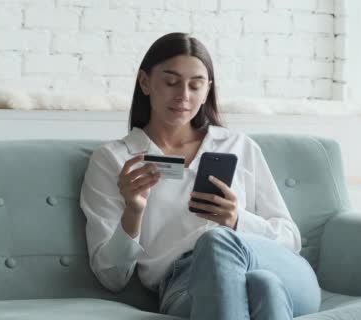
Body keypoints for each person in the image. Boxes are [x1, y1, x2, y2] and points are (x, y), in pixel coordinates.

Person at [80, 32, 321, 320]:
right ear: (145, 82)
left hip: (273, 266)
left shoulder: (238, 146)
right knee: (264, 289)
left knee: (224, 246)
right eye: (171, 82)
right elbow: (112, 278)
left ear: (207, 90)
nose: (183, 95)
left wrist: (236, 220)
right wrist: (133, 211)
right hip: (186, 285)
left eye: (195, 86)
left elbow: (290, 239)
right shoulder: (115, 159)